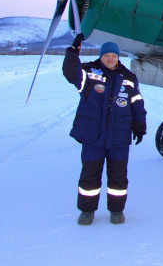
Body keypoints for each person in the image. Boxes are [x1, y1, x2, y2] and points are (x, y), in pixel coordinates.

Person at [62, 33, 147, 225]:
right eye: (106, 55)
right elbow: (69, 72)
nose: (110, 58)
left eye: (114, 55)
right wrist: (73, 52)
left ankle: (116, 211)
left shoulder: (129, 78)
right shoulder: (88, 73)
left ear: (118, 57)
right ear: (101, 57)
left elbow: (137, 103)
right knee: (90, 175)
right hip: (93, 136)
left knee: (118, 176)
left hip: (119, 136)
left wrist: (140, 126)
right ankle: (86, 211)